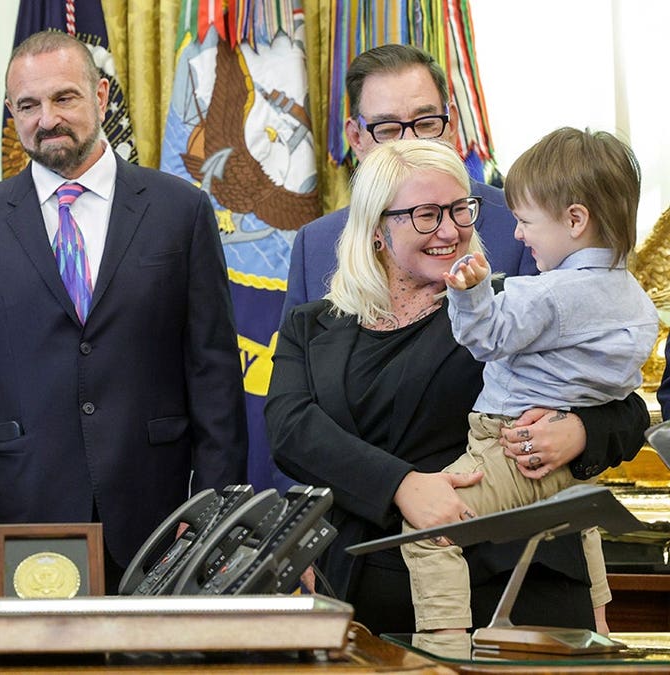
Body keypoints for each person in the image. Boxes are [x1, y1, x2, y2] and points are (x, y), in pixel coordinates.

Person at [265, 139, 649, 635]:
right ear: (376, 227)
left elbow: (628, 411)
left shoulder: (504, 307)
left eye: (460, 210)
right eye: (426, 214)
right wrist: (401, 486)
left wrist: (578, 431)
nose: (450, 230)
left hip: (517, 601)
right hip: (361, 600)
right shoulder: (311, 325)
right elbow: (290, 432)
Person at [0, 30, 247, 591]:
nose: (47, 118)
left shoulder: (181, 211)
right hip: (22, 512)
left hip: (159, 515)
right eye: (28, 105)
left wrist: (213, 512)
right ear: (12, 113)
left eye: (64, 98)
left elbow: (214, 372)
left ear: (101, 96)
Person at [402, 128, 657, 633]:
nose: (517, 235)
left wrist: (471, 292)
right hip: (572, 466)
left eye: (525, 222)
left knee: (427, 529)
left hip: (510, 446)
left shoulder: (548, 294)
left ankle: (445, 650)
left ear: (575, 220)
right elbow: (622, 389)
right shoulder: (635, 300)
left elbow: (486, 339)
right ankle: (601, 631)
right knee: (579, 528)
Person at [282, 44, 537, 323]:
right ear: (356, 138)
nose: (410, 143)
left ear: (451, 125)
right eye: (388, 129)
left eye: (427, 123)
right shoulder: (315, 244)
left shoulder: (521, 223)